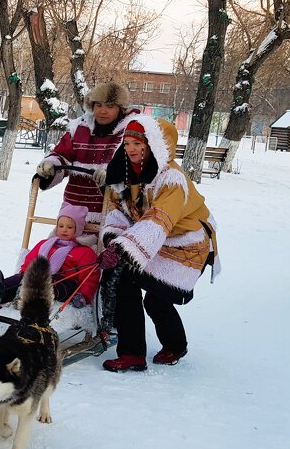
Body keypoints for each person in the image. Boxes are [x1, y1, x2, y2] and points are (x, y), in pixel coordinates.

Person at [94, 117, 221, 372]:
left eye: (138, 143)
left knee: (156, 299)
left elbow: (159, 218)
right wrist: (112, 239)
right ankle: (132, 354)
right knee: (129, 285)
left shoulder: (172, 179)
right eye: (127, 143)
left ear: (154, 145)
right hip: (153, 239)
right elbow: (121, 213)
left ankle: (174, 346)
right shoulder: (127, 172)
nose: (131, 149)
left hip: (188, 243)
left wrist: (123, 247)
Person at [35, 82, 154, 245]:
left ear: (121, 108)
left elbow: (138, 165)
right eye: (98, 105)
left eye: (110, 106)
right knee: (59, 251)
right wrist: (50, 166)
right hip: (72, 211)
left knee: (98, 258)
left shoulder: (131, 130)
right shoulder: (79, 128)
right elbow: (62, 153)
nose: (102, 111)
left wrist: (113, 175)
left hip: (110, 212)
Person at [0, 204, 100, 309]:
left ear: (78, 230)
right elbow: (31, 260)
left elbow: (89, 278)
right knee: (21, 278)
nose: (64, 229)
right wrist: (24, 274)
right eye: (61, 226)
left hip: (66, 283)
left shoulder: (84, 251)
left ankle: (27, 299)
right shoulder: (45, 244)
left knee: (48, 282)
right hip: (38, 276)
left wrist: (84, 295)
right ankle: (0, 292)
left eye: (70, 227)